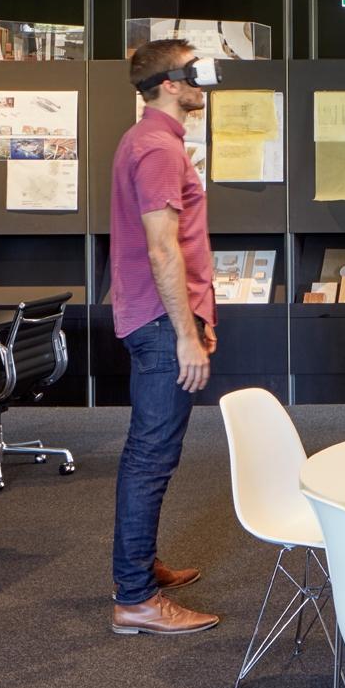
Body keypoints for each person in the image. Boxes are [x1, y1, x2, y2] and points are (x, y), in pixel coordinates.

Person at [108, 39, 220, 635]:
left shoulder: (152, 140)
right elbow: (161, 249)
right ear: (171, 84)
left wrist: (200, 319)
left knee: (151, 453)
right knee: (150, 457)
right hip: (159, 323)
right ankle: (135, 598)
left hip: (160, 318)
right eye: (196, 73)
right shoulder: (156, 147)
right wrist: (185, 335)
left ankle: (140, 566)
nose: (205, 84)